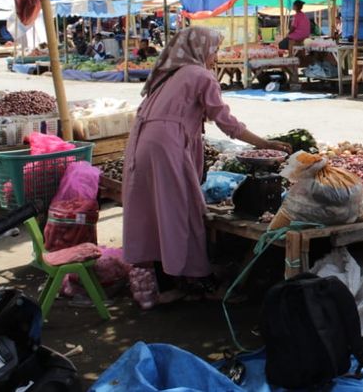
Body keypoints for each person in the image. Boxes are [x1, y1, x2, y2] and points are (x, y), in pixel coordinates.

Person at [122, 27, 291, 302]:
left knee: (155, 210)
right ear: (200, 51)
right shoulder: (200, 75)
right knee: (180, 209)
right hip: (166, 145)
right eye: (214, 50)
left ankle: (168, 284)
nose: (216, 56)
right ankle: (197, 281)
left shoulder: (171, 74)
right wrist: (265, 144)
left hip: (145, 143)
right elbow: (226, 122)